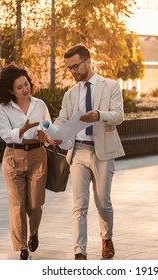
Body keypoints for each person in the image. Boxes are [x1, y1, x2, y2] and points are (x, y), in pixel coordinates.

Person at [53, 45, 125, 260]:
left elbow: (119, 115)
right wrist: (53, 132)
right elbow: (62, 119)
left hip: (102, 151)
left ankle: (106, 237)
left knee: (103, 203)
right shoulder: (70, 94)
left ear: (88, 62)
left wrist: (99, 115)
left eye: (75, 66)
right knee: (79, 205)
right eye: (69, 68)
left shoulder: (111, 86)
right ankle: (79, 252)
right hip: (78, 152)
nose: (73, 71)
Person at [0, 64, 51, 260]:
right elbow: (4, 134)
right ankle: (22, 248)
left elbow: (47, 128)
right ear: (11, 90)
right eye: (19, 87)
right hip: (13, 156)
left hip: (38, 155)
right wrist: (22, 129)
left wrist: (50, 136)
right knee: (17, 204)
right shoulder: (4, 109)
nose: (25, 89)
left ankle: (33, 232)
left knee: (36, 203)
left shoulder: (40, 105)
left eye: (26, 84)